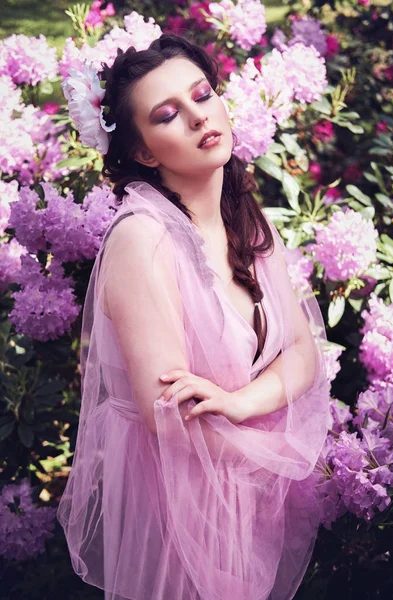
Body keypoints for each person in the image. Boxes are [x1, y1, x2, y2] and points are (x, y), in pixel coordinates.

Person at [57, 33, 331, 600]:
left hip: (244, 489)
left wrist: (241, 404)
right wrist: (277, 451)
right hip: (178, 500)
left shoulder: (248, 224)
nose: (198, 117)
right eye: (167, 115)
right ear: (144, 153)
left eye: (202, 94)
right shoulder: (143, 240)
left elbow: (302, 353)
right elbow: (170, 416)